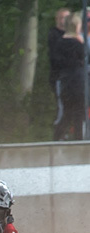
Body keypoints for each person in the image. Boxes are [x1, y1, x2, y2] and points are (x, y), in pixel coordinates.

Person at [52, 12, 85, 141]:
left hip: (65, 81)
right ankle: (78, 140)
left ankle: (56, 138)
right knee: (79, 113)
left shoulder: (59, 43)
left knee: (67, 113)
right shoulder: (77, 44)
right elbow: (83, 58)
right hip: (78, 81)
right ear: (77, 26)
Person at [48, 8, 71, 127]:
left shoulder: (74, 35)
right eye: (62, 17)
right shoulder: (54, 34)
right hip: (59, 77)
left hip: (73, 77)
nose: (65, 21)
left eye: (67, 18)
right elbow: (56, 57)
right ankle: (59, 134)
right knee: (62, 106)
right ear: (57, 19)